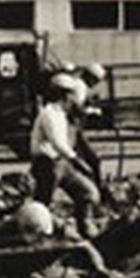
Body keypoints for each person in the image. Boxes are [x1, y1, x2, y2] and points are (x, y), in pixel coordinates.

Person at [29, 73, 103, 238]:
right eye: (71, 95)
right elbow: (58, 143)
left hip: (61, 163)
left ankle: (85, 226)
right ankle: (38, 232)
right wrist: (78, 161)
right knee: (41, 206)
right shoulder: (49, 113)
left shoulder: (62, 114)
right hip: (46, 164)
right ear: (65, 95)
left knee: (88, 193)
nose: (74, 99)